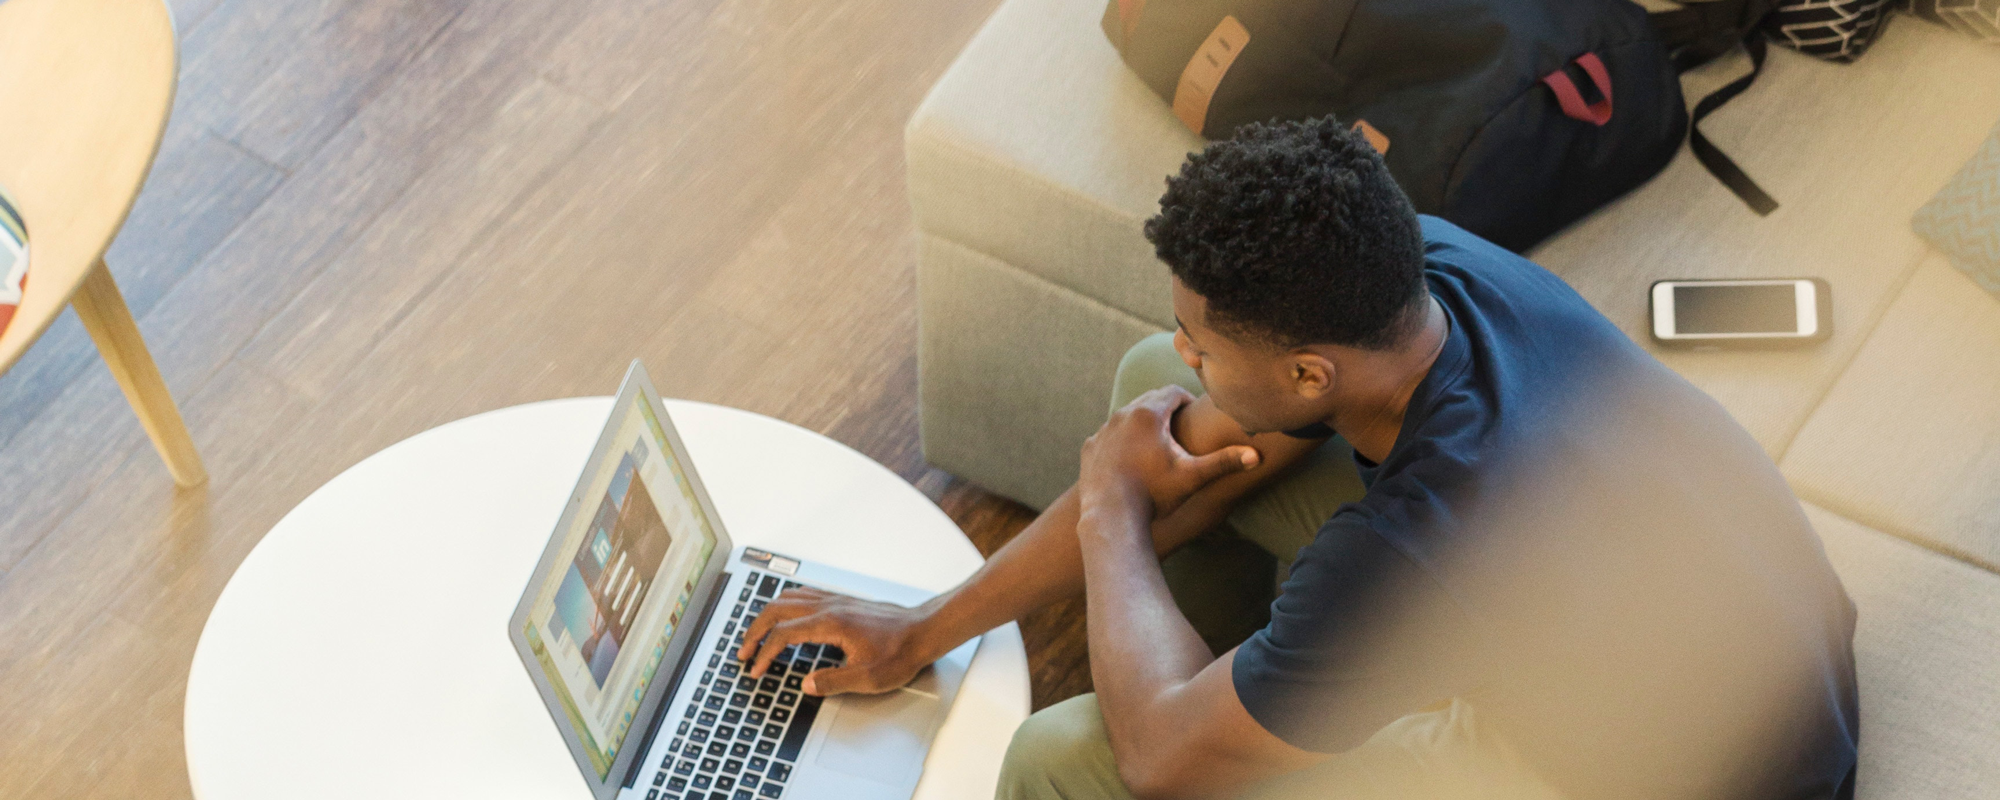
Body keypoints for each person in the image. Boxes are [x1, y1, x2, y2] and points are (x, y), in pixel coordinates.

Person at [738, 116, 1859, 800]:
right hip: (1749, 641)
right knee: (1150, 394)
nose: (1188, 344)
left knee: (1067, 754)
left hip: (1673, 773)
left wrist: (1108, 518)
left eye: (1206, 338)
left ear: (1312, 376)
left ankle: (1237, 701)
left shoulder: (1424, 540)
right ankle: (1246, 678)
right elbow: (1184, 431)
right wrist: (924, 626)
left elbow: (1157, 760)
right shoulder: (1413, 265)